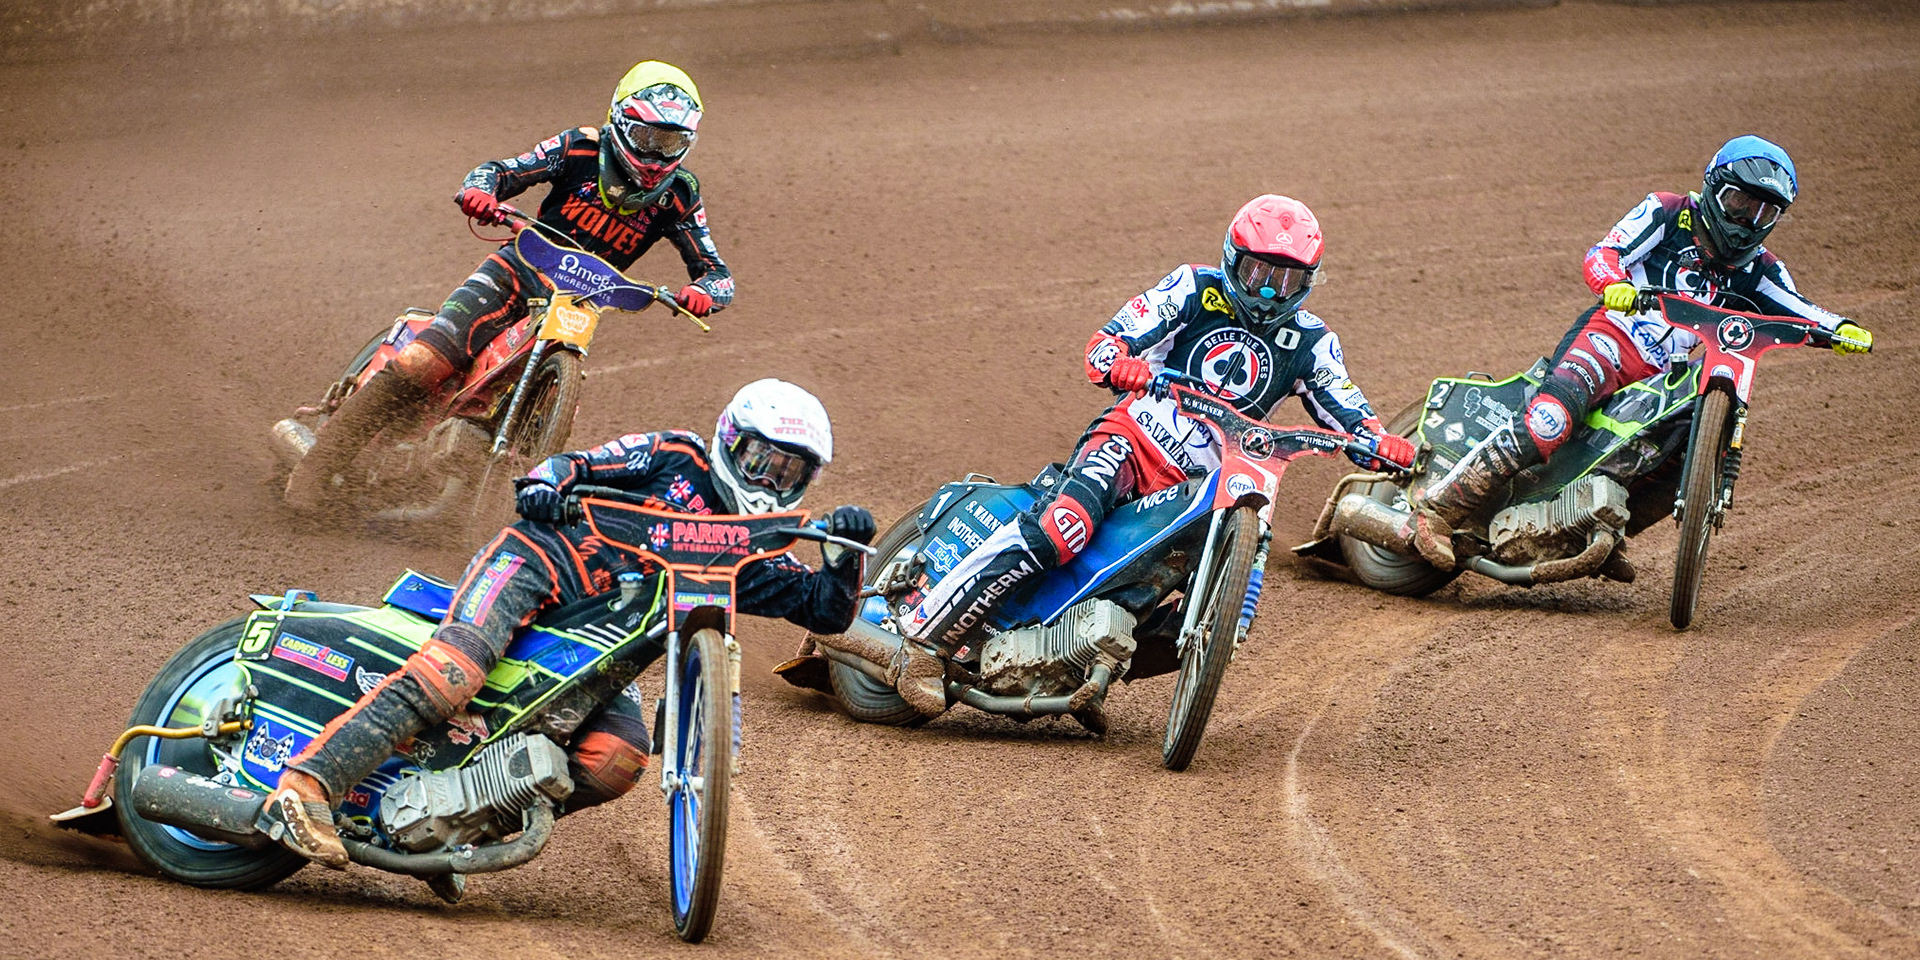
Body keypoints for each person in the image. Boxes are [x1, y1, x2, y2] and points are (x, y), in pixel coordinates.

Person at [266, 379, 876, 866]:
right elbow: (572, 464)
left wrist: (844, 554)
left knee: (618, 757)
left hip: (603, 650)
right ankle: (307, 788)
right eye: (759, 459)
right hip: (537, 564)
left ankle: (458, 828)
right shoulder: (673, 456)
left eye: (789, 473)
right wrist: (540, 487)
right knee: (454, 673)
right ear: (729, 439)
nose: (770, 481)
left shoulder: (751, 555)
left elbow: (825, 610)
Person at [888, 195, 1417, 717]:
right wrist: (1120, 361)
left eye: (1287, 280)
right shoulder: (1193, 286)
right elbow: (1109, 341)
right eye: (1259, 272)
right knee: (1062, 530)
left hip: (1206, 487)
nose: (1270, 291)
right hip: (1131, 443)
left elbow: (1348, 407)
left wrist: (1380, 443)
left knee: (1174, 596)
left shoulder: (1312, 341)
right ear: (1234, 257)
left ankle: (1074, 662)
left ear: (1309, 281)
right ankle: (921, 645)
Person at [1407, 135, 1875, 570]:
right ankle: (1438, 511)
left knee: (1686, 451)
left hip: (1663, 378)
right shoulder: (1669, 212)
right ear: (1715, 186)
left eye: (1765, 213)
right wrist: (1614, 285)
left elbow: (1802, 311)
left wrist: (1845, 330)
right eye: (1741, 202)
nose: (1749, 221)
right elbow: (1602, 252)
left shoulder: (1761, 269)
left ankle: (1593, 529)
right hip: (1610, 339)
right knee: (1550, 420)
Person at [286, 60, 734, 511]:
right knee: (426, 361)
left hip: (577, 305)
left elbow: (717, 272)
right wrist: (481, 193)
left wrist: (704, 293)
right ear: (620, 121)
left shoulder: (681, 194)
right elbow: (498, 170)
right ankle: (315, 472)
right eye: (648, 139)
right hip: (513, 274)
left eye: (671, 142)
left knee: (544, 407)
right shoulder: (578, 147)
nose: (657, 156)